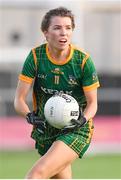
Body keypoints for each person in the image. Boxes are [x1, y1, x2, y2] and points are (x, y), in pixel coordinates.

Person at [14, 7, 100, 179]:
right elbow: (19, 100)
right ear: (45, 33)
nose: (64, 33)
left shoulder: (83, 61)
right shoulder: (36, 57)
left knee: (36, 175)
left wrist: (82, 120)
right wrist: (29, 116)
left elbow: (93, 104)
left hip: (75, 129)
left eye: (68, 28)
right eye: (57, 28)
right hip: (45, 129)